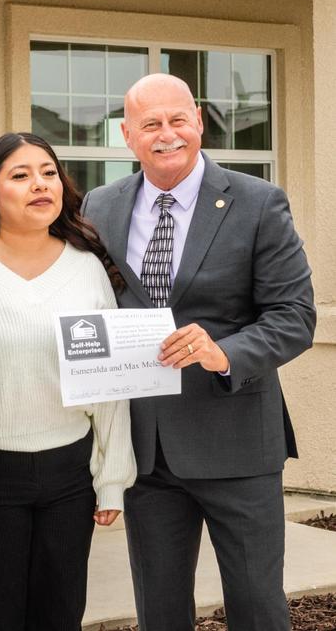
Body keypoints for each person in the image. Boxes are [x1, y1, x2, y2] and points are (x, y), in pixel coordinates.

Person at [82, 73, 315, 631]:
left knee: (257, 607)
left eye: (178, 120)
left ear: (199, 123)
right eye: (151, 124)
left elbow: (295, 317)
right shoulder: (100, 204)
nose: (167, 134)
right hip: (148, 450)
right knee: (159, 612)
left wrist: (225, 352)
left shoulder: (258, 202)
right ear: (128, 135)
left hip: (236, 441)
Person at [0, 132, 135, 630]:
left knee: (60, 613)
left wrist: (111, 480)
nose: (39, 185)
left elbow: (108, 383)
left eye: (48, 173)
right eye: (20, 175)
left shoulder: (86, 266)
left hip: (68, 475)